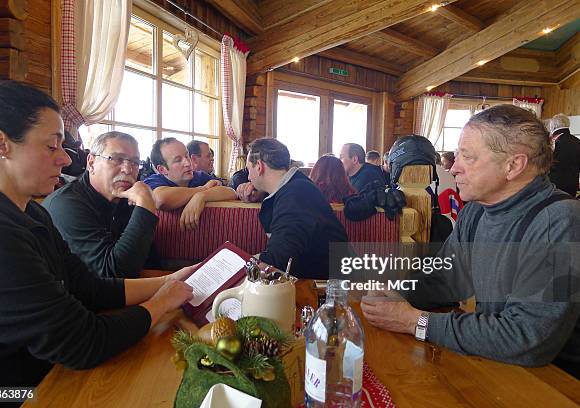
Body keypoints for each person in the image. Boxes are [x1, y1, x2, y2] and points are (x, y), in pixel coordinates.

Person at [0, 81, 194, 389]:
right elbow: (84, 341)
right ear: (0, 143)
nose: (64, 159)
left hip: (50, 371)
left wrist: (169, 281)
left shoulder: (31, 212)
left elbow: (85, 286)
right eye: (52, 146)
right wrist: (162, 302)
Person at [360, 104, 580, 376]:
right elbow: (443, 279)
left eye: (468, 157)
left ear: (513, 165)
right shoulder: (477, 211)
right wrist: (396, 292)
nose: (453, 169)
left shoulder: (560, 221)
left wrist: (414, 321)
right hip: (498, 366)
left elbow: (527, 337)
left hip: (557, 384)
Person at [42, 132, 161, 279]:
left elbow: (150, 262)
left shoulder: (126, 198)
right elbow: (111, 274)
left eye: (135, 162)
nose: (128, 169)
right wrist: (145, 207)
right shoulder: (67, 204)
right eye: (116, 159)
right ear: (91, 163)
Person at [247, 138, 348, 279]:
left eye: (248, 169)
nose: (248, 176)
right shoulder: (296, 186)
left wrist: (241, 264)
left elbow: (279, 260)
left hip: (329, 288)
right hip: (318, 278)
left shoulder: (295, 195)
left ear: (259, 166)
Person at [144, 138, 236, 230]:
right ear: (162, 170)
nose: (188, 163)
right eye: (178, 160)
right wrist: (202, 189)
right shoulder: (153, 181)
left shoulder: (199, 176)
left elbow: (231, 192)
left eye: (186, 156)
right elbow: (161, 200)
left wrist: (201, 196)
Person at [548, 113, 580, 196]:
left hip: (552, 186)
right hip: (572, 186)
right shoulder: (577, 142)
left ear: (553, 126)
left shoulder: (551, 142)